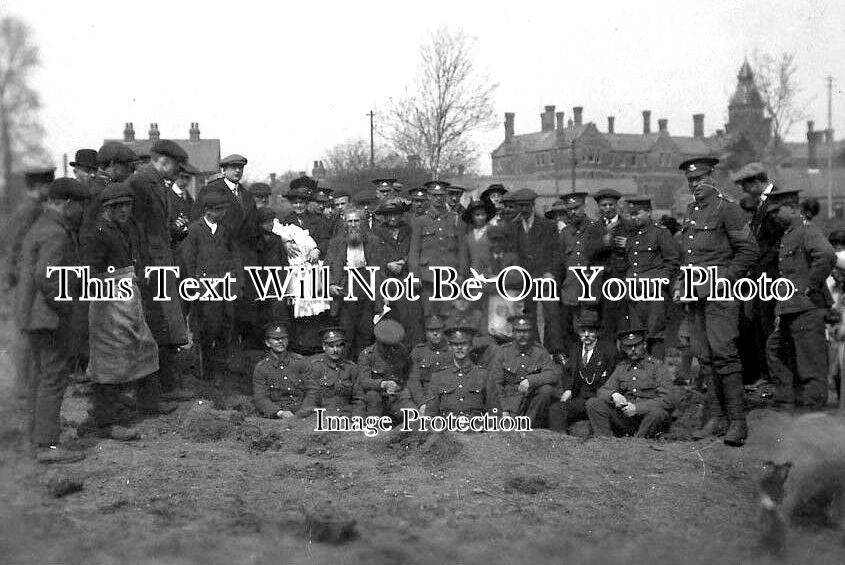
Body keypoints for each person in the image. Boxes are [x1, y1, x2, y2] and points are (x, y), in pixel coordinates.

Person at [677, 156, 758, 447]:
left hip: (720, 294)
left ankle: (738, 422)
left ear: (713, 177)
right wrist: (680, 283)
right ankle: (716, 417)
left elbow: (748, 250)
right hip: (695, 294)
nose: (695, 185)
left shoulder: (728, 208)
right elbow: (689, 256)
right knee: (704, 356)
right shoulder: (691, 211)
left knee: (724, 354)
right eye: (690, 181)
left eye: (699, 179)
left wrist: (727, 278)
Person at [15, 178, 87, 464]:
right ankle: (46, 444)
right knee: (53, 378)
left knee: (38, 377)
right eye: (80, 205)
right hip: (50, 317)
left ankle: (35, 439)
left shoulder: (42, 226)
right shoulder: (56, 233)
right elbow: (48, 276)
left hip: (33, 316)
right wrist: (66, 306)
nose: (82, 211)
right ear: (68, 204)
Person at [82, 182, 159, 441]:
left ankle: (148, 403)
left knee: (144, 346)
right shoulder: (99, 233)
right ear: (108, 208)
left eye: (128, 205)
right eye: (119, 206)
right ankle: (106, 421)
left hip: (127, 297)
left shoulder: (121, 229)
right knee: (109, 358)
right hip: (108, 301)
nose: (125, 210)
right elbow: (89, 272)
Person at [128, 139, 190, 403]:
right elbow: (136, 231)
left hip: (161, 265)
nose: (178, 172)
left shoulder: (157, 184)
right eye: (176, 167)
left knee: (165, 328)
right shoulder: (140, 184)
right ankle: (151, 395)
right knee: (153, 329)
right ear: (163, 161)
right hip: (149, 269)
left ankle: (165, 387)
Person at [765, 190, 835, 411]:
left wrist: (810, 285)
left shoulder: (806, 230)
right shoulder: (790, 233)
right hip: (791, 308)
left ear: (792, 208)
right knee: (775, 349)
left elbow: (826, 255)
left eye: (777, 210)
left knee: (810, 361)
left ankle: (814, 410)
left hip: (807, 308)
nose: (774, 215)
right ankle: (787, 401)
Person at [194, 154, 261, 348]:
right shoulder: (212, 190)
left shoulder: (247, 196)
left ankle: (235, 356)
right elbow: (198, 223)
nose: (237, 171)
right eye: (233, 167)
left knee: (241, 314)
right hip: (219, 260)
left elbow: (254, 229)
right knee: (215, 317)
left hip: (244, 260)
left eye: (240, 167)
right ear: (224, 170)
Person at [731, 162, 784, 387]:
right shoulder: (761, 203)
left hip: (771, 274)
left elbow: (778, 242)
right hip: (760, 273)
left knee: (768, 324)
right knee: (759, 323)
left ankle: (773, 375)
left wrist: (758, 260)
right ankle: (765, 373)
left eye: (745, 186)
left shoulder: (777, 201)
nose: (744, 192)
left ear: (756, 182)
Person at [181, 190, 242, 383]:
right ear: (208, 211)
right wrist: (192, 286)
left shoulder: (227, 229)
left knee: (226, 327)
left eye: (224, 210)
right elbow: (189, 260)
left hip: (226, 286)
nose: (222, 214)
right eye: (219, 210)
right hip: (204, 288)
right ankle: (204, 371)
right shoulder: (194, 230)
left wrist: (239, 282)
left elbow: (236, 256)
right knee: (207, 329)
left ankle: (220, 368)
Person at [6, 167, 55, 401]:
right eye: (48, 186)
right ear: (39, 187)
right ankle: (22, 389)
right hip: (26, 282)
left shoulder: (34, 209)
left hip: (30, 279)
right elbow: (15, 248)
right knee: (26, 335)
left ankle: (26, 388)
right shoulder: (29, 211)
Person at [586, 328, 675, 438]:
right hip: (626, 416)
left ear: (644, 345)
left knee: (658, 414)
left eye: (636, 345)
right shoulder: (621, 367)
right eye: (628, 346)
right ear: (623, 348)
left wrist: (638, 408)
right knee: (593, 403)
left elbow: (667, 400)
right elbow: (603, 391)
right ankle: (606, 441)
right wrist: (614, 395)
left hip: (647, 417)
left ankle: (638, 442)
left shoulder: (657, 367)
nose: (632, 349)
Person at [624, 196, 680, 360]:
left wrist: (658, 281)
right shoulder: (631, 236)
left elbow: (672, 261)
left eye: (638, 213)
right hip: (633, 293)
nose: (634, 217)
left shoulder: (660, 233)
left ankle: (657, 376)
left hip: (654, 294)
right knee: (636, 335)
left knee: (655, 334)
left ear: (649, 212)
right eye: (632, 214)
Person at [326, 207, 382, 360]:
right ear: (344, 223)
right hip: (345, 293)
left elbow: (379, 270)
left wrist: (381, 297)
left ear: (362, 222)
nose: (353, 224)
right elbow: (326, 267)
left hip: (366, 291)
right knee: (346, 335)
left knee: (365, 334)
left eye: (356, 221)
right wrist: (330, 285)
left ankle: (363, 370)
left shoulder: (372, 241)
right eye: (349, 221)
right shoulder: (336, 243)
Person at [512, 188, 563, 353]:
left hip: (544, 277)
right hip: (525, 280)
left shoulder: (548, 226)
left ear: (533, 205)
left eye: (526, 205)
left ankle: (555, 351)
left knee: (552, 315)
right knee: (529, 316)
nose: (523, 209)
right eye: (520, 206)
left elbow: (557, 252)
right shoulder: (513, 227)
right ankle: (535, 350)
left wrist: (550, 273)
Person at [551, 310, 617, 434]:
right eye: (583, 331)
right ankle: (560, 443)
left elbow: (613, 378)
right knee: (556, 409)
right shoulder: (575, 349)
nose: (586, 335)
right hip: (580, 399)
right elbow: (568, 372)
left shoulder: (609, 351)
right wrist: (568, 389)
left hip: (599, 400)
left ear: (597, 332)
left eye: (591, 331)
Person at [489, 314, 561, 428]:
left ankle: (528, 427)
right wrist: (502, 409)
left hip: (532, 402)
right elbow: (495, 384)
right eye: (518, 331)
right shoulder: (503, 352)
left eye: (526, 331)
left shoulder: (540, 352)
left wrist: (530, 380)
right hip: (510, 402)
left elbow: (553, 374)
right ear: (513, 332)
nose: (522, 335)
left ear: (532, 333)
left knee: (546, 390)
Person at [409, 181, 467, 317]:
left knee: (449, 313)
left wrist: (462, 273)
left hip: (449, 275)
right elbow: (414, 251)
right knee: (430, 313)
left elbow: (462, 250)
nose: (438, 199)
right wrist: (415, 276)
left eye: (441, 195)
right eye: (434, 195)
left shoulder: (456, 219)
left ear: (446, 196)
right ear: (428, 196)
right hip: (428, 276)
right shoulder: (420, 221)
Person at [371, 197, 422, 347]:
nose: (393, 218)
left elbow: (415, 250)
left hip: (405, 279)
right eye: (389, 214)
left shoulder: (409, 229)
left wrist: (404, 261)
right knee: (387, 317)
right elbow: (372, 255)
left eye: (396, 214)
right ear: (384, 216)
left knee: (410, 317)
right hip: (384, 280)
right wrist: (387, 264)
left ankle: (411, 350)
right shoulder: (376, 231)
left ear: (401, 215)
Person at [423, 323, 498, 418]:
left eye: (463, 344)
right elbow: (430, 415)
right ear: (450, 347)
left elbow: (494, 412)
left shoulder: (483, 375)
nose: (459, 347)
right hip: (447, 429)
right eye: (455, 344)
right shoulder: (438, 377)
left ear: (471, 346)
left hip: (476, 429)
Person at [593, 188, 634, 340]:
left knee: (625, 323)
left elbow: (638, 249)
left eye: (611, 204)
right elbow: (588, 252)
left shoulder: (629, 226)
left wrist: (627, 244)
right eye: (603, 205)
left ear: (617, 205)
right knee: (606, 325)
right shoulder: (594, 227)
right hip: (602, 282)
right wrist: (605, 239)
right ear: (599, 207)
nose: (607, 208)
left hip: (623, 279)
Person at [357, 319, 417, 419]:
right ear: (378, 341)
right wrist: (383, 384)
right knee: (372, 396)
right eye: (386, 346)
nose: (391, 349)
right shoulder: (367, 355)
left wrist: (400, 387)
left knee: (415, 417)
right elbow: (364, 381)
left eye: (394, 346)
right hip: (377, 397)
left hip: (398, 396)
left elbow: (409, 374)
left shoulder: (401, 351)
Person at [252, 323, 312, 419]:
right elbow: (260, 398)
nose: (280, 341)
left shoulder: (301, 362)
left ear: (287, 340)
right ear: (267, 343)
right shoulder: (261, 368)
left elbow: (312, 390)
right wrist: (279, 413)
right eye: (276, 339)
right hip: (276, 417)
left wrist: (303, 412)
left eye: (283, 338)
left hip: (303, 414)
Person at [300, 327, 361, 417]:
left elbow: (359, 399)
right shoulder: (315, 367)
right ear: (324, 347)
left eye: (339, 346)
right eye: (331, 346)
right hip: (322, 417)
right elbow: (310, 399)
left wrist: (356, 417)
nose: (335, 350)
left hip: (347, 417)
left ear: (343, 347)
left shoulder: (351, 368)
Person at [407, 315, 454, 406]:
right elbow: (414, 381)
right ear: (426, 332)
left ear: (443, 330)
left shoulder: (452, 351)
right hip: (426, 398)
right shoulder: (418, 352)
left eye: (438, 330)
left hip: (449, 397)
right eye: (431, 330)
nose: (435, 333)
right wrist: (422, 403)